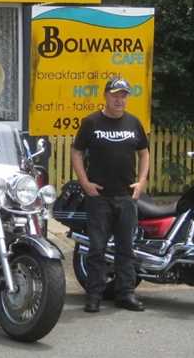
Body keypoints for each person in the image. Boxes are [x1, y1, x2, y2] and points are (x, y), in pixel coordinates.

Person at [71, 77, 150, 313]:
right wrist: (85, 183)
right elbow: (76, 152)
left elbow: (144, 153)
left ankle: (125, 294)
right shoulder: (91, 122)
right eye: (115, 94)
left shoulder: (134, 123)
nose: (120, 99)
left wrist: (142, 181)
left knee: (126, 248)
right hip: (99, 198)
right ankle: (94, 295)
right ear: (105, 96)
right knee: (97, 249)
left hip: (126, 197)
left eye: (124, 95)